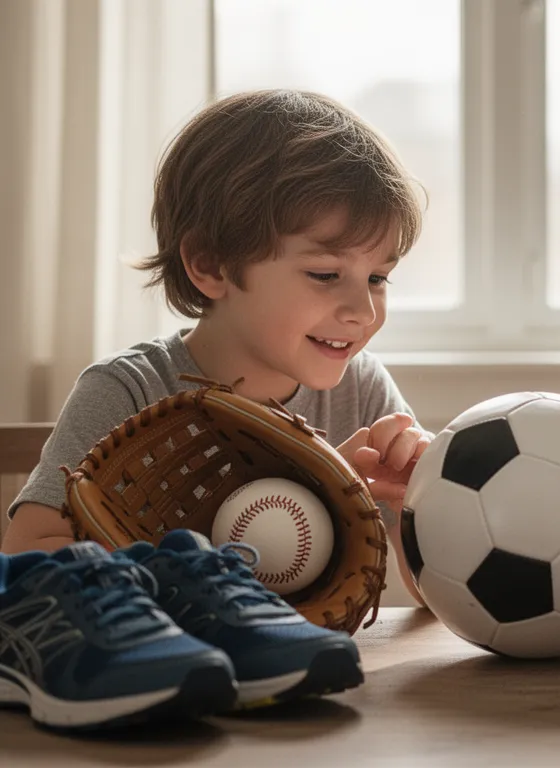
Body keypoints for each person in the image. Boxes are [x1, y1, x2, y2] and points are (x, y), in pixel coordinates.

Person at [2, 89, 429, 604]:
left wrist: (423, 501)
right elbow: (26, 561)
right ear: (209, 265)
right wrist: (308, 495)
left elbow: (438, 594)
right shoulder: (129, 391)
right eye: (325, 274)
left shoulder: (362, 391)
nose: (363, 310)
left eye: (378, 278)